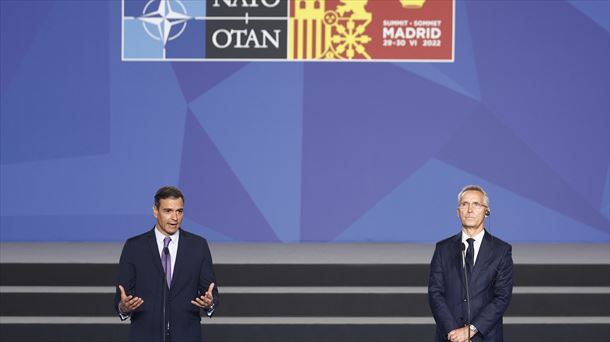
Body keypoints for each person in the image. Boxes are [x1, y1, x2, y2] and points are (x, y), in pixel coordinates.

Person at [115, 186, 219, 342]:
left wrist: (210, 303)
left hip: (187, 335)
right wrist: (124, 308)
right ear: (155, 211)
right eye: (168, 211)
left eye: (179, 211)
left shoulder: (198, 246)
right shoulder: (134, 247)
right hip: (146, 335)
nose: (175, 218)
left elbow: (211, 292)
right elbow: (121, 297)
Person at [428, 185, 513, 342]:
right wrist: (453, 332)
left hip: (485, 336)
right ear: (458, 211)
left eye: (476, 204)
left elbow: (502, 296)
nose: (469, 210)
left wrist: (470, 331)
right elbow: (435, 293)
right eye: (464, 204)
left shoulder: (501, 250)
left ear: (486, 211)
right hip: (449, 337)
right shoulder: (443, 249)